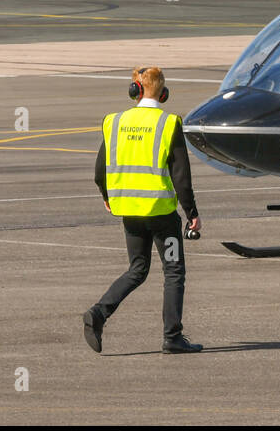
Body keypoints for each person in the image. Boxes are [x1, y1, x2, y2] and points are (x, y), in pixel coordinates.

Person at [84, 66, 203, 354]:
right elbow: (181, 176)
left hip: (129, 210)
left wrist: (107, 196)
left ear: (134, 91)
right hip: (161, 214)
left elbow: (100, 170)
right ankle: (172, 337)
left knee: (137, 269)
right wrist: (192, 213)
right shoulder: (168, 123)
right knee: (174, 271)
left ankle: (98, 314)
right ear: (163, 94)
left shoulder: (114, 122)